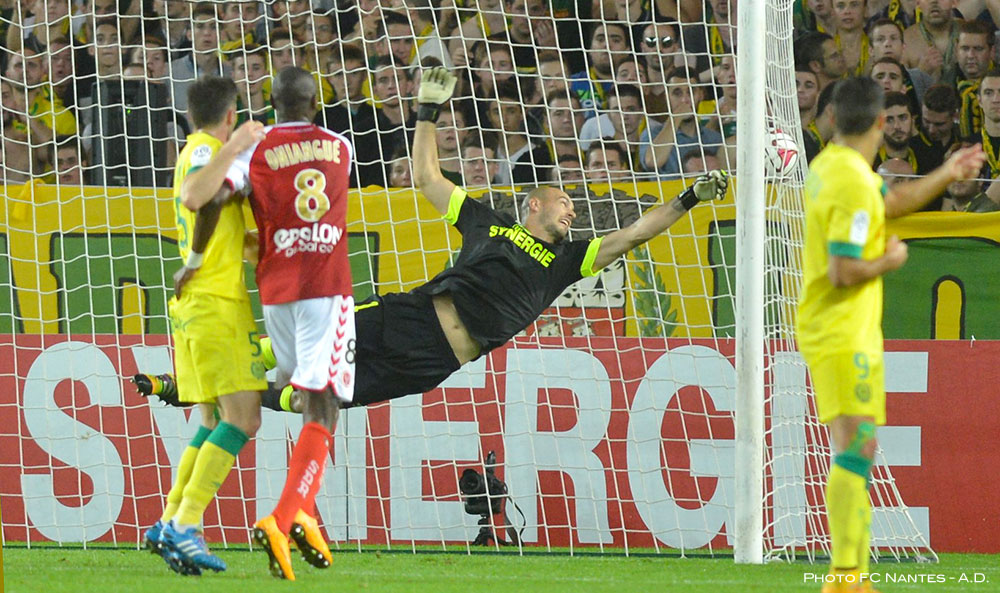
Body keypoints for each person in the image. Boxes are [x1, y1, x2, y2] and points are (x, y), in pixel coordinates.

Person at [137, 67, 728, 424]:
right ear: (533, 204)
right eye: (564, 202)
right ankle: (184, 382)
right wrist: (426, 112)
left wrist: (689, 198)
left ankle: (197, 393)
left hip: (436, 362)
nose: (573, 211)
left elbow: (636, 232)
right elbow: (426, 177)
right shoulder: (488, 223)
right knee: (299, 352)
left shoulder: (570, 261)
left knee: (313, 401)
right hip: (412, 315)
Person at [797, 76, 984, 593]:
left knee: (858, 444)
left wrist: (946, 172)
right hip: (840, 329)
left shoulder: (831, 166)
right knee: (855, 445)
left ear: (831, 118)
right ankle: (846, 577)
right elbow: (842, 271)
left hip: (835, 326)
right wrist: (889, 260)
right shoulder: (852, 184)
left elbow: (892, 202)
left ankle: (851, 574)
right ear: (881, 121)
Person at [221, 66, 355, 582]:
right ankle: (283, 518)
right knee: (324, 402)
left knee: (302, 397)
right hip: (326, 286)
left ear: (270, 101)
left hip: (275, 291)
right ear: (315, 102)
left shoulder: (255, 149)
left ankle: (304, 513)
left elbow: (225, 195)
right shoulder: (340, 147)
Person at [147, 77, 268, 576]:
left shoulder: (200, 152)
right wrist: (235, 145)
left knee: (213, 420)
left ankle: (169, 520)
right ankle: (185, 525)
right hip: (215, 305)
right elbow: (197, 195)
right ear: (230, 115)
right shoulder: (204, 151)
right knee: (244, 419)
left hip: (200, 304)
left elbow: (215, 220)